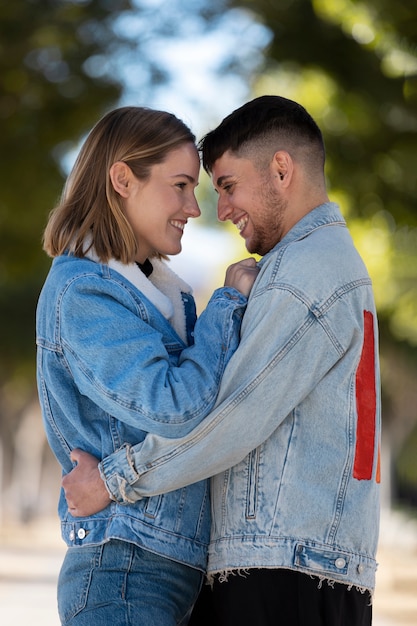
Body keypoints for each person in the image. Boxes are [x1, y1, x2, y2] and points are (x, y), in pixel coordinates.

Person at [63, 96, 381, 626]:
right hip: (296, 567)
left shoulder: (301, 271)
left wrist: (116, 479)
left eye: (227, 187)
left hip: (283, 575)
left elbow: (235, 415)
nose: (219, 210)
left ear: (281, 169)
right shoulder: (323, 262)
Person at [36, 105, 258, 626]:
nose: (194, 208)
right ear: (122, 180)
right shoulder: (84, 292)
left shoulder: (157, 298)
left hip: (161, 566)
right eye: (180, 185)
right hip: (123, 572)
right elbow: (176, 408)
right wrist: (226, 304)